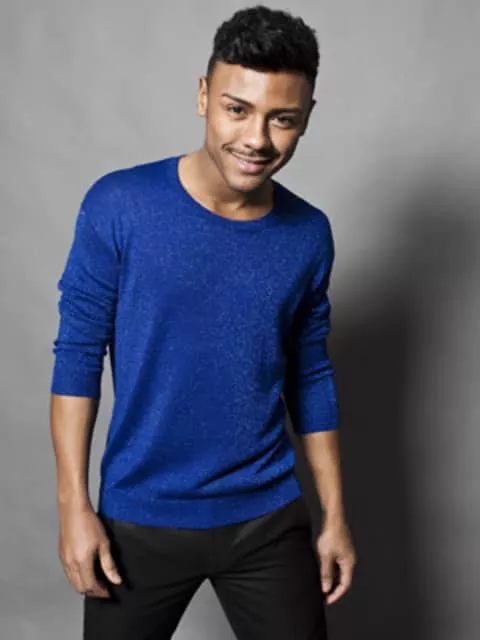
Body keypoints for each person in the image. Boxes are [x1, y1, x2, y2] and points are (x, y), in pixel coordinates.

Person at [50, 5, 356, 639]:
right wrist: (73, 506)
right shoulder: (119, 205)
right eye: (236, 109)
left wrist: (333, 517)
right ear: (202, 96)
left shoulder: (308, 233)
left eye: (282, 118)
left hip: (267, 519)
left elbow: (311, 376)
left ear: (306, 118)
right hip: (139, 519)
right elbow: (78, 356)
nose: (256, 139)